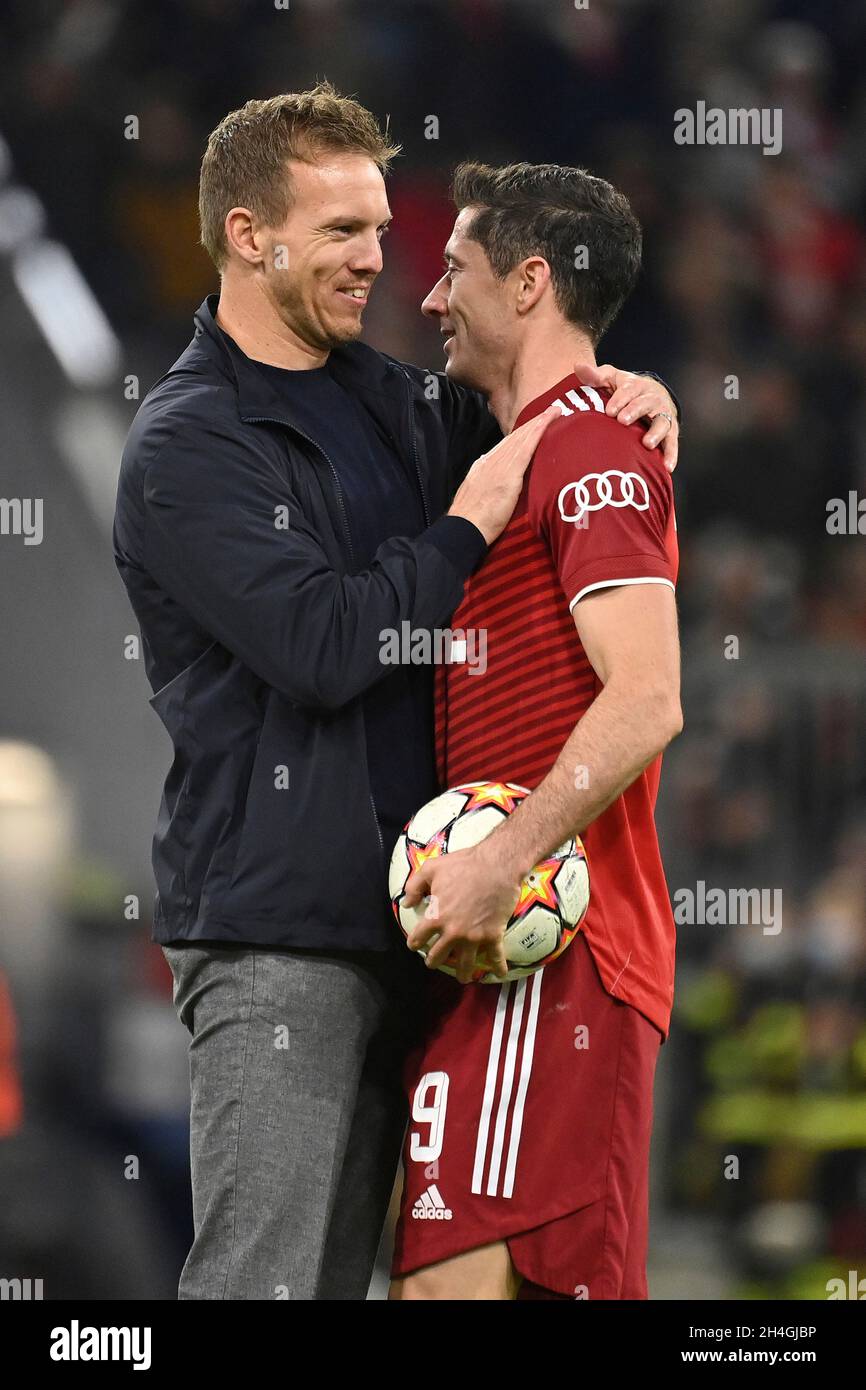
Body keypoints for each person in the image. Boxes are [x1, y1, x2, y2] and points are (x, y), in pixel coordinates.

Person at [113, 84, 680, 1300]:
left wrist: (628, 396)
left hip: (432, 935)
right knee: (267, 1284)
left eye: (380, 229)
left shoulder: (396, 405)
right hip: (281, 944)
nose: (381, 262)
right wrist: (464, 523)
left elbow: (539, 408)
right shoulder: (186, 442)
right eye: (340, 234)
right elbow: (322, 642)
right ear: (246, 236)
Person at [390, 161, 682, 1301]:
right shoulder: (530, 452)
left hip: (561, 949)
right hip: (502, 946)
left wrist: (497, 864)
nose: (427, 296)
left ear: (526, 283)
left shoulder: (592, 450)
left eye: (453, 268)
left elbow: (649, 696)